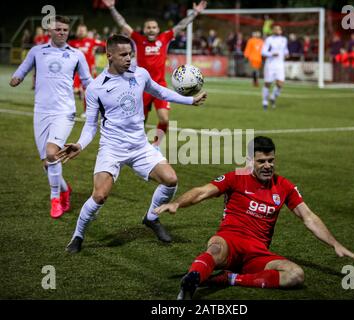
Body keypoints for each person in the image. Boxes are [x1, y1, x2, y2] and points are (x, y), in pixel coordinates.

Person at [155, 136, 354, 300]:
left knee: (295, 275)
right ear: (249, 161)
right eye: (261, 161)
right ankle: (190, 283)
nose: (267, 166)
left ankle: (232, 278)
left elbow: (308, 217)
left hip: (257, 253)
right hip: (230, 242)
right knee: (215, 248)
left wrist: (335, 243)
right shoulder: (236, 177)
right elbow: (202, 192)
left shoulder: (284, 186)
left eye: (271, 160)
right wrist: (177, 203)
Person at [56, 34, 207, 252]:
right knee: (99, 196)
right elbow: (91, 125)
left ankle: (151, 218)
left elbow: (160, 91)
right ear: (109, 56)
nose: (129, 59)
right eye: (124, 54)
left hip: (139, 146)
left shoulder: (140, 73)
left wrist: (189, 100)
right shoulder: (96, 87)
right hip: (112, 148)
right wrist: (79, 145)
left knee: (171, 180)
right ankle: (78, 236)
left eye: (131, 54)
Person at [10, 16, 92, 219]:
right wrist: (17, 77)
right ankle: (65, 189)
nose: (62, 32)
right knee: (48, 162)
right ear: (50, 31)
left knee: (51, 152)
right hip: (41, 112)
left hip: (64, 111)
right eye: (58, 29)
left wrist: (102, 96)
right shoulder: (37, 51)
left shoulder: (76, 55)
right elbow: (23, 69)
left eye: (65, 30)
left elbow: (87, 81)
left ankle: (55, 198)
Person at [102, 0, 207, 147]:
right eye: (148, 27)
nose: (151, 30)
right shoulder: (138, 40)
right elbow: (122, 24)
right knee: (140, 122)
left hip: (159, 86)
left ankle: (156, 147)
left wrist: (195, 13)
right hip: (141, 88)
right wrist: (112, 8)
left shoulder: (164, 39)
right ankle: (136, 145)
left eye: (154, 27)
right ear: (144, 30)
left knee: (164, 119)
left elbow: (181, 25)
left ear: (158, 29)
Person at [69, 24, 106, 117]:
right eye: (79, 30)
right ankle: (67, 109)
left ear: (86, 32)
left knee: (89, 93)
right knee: (72, 90)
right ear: (77, 31)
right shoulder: (72, 43)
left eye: (83, 30)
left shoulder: (92, 41)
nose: (81, 32)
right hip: (76, 71)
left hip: (89, 72)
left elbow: (105, 44)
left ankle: (88, 111)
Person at [261, 25, 288, 110]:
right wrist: (271, 54)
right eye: (276, 29)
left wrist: (287, 53)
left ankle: (273, 97)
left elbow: (285, 49)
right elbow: (263, 52)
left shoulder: (284, 39)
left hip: (280, 64)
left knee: (280, 83)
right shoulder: (269, 40)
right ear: (273, 30)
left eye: (279, 29)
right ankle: (265, 102)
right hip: (270, 64)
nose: (278, 30)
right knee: (267, 83)